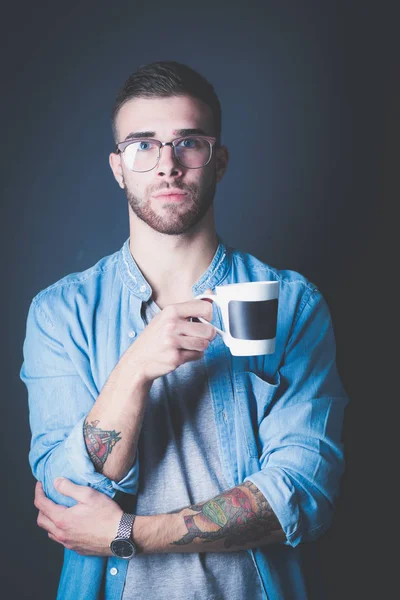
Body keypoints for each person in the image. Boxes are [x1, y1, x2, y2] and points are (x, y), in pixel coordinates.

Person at [21, 60, 349, 600]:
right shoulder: (61, 312)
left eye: (188, 143)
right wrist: (135, 369)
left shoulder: (293, 304)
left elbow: (303, 492)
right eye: (142, 145)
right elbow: (67, 494)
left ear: (218, 161)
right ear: (117, 167)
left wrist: (130, 534)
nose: (167, 165)